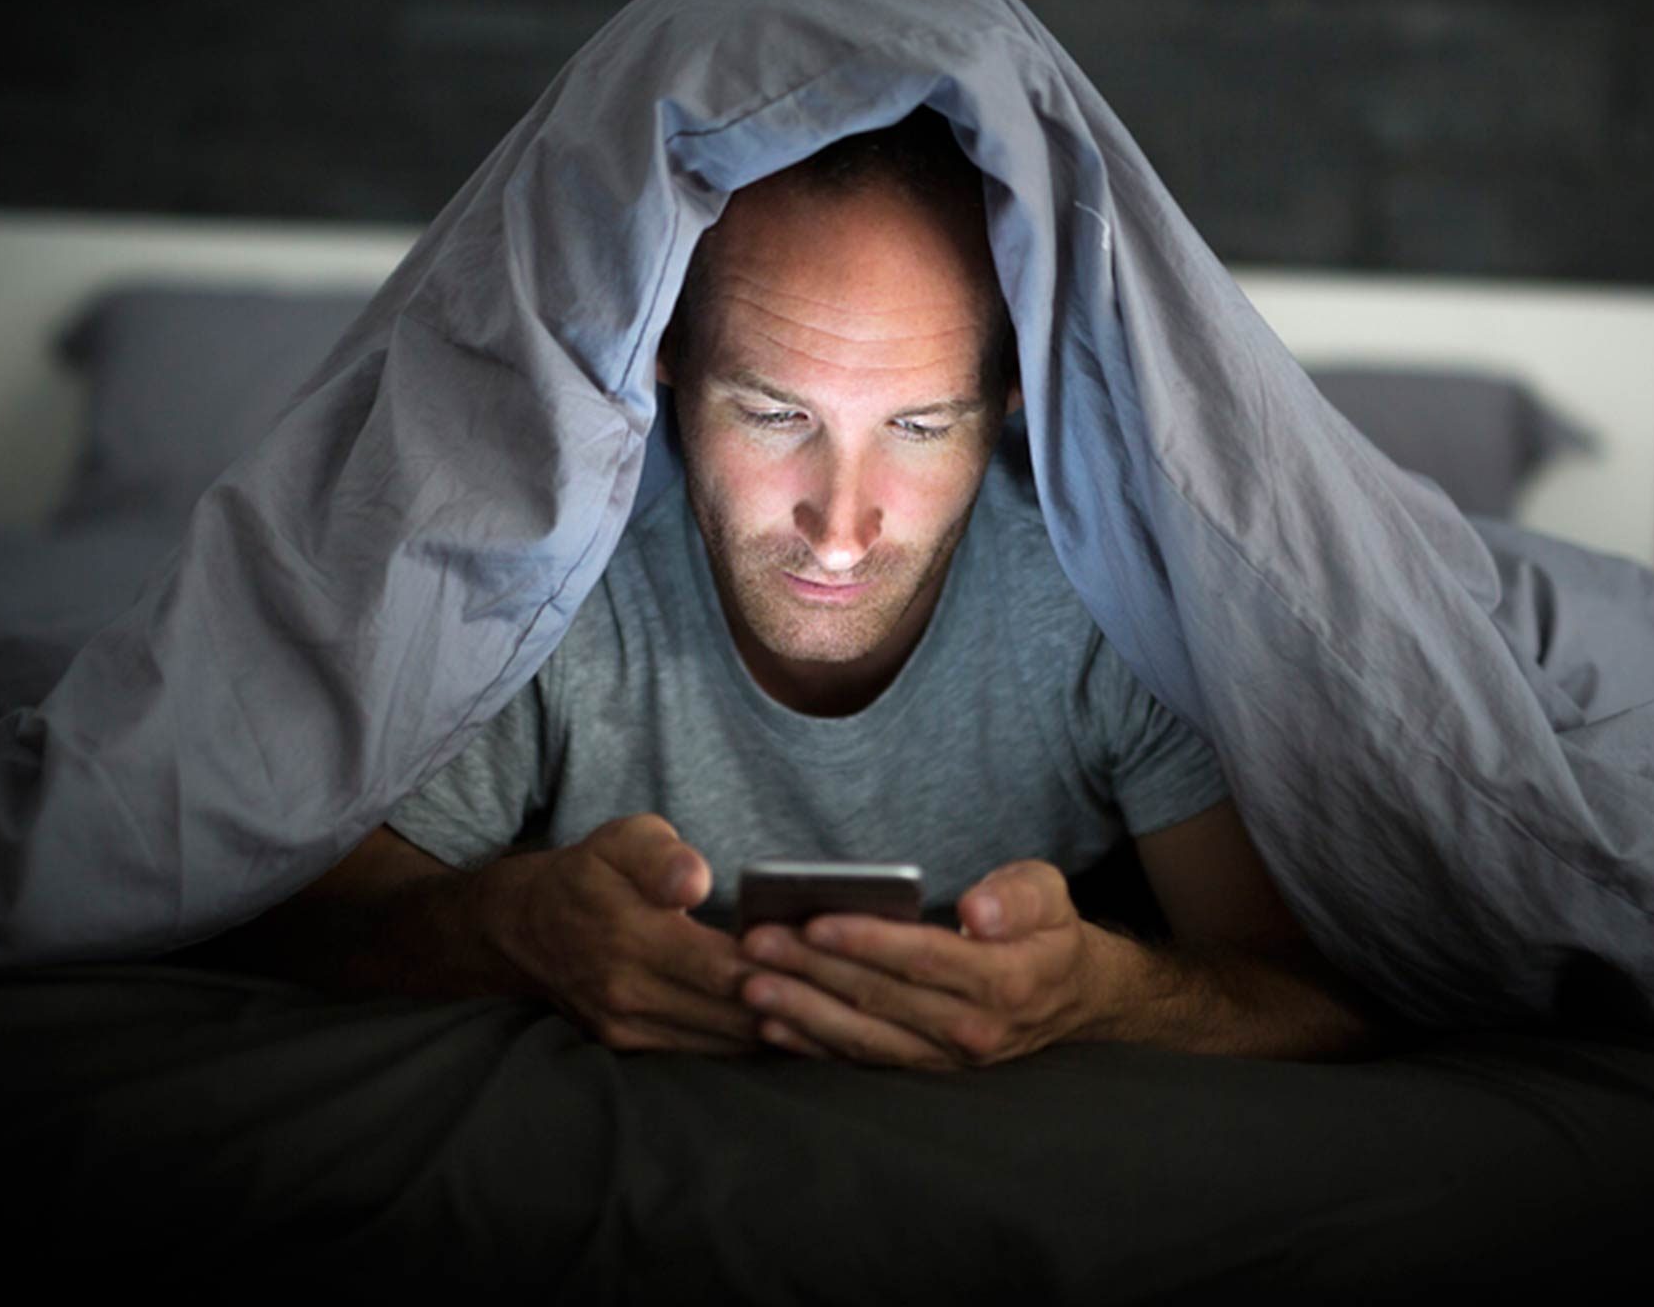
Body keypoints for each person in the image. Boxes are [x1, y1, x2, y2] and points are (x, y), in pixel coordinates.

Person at [212, 108, 1389, 1069]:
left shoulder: (1102, 605)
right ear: (662, 361)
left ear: (1014, 401)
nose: (840, 524)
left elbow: (1314, 994)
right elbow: (282, 915)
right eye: (775, 413)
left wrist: (1105, 991)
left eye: (921, 426)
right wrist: (504, 926)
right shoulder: (544, 574)